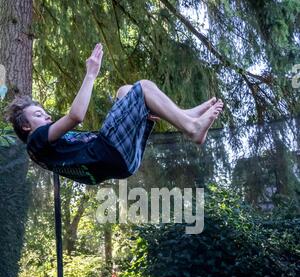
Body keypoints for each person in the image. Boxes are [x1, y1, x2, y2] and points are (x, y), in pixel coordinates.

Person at [5, 43, 223, 185]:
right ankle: (191, 127)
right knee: (143, 87)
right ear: (26, 126)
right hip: (107, 149)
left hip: (123, 164)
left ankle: (185, 117)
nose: (47, 117)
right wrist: (91, 74)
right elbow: (76, 116)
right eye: (39, 114)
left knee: (125, 91)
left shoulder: (46, 149)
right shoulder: (36, 139)